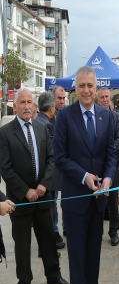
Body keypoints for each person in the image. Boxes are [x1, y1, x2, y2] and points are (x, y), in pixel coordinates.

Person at [54, 66, 117, 284]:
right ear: (75, 88)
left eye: (90, 85)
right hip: (75, 202)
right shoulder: (64, 117)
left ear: (96, 85)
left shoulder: (106, 116)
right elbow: (60, 157)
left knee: (93, 258)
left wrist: (109, 177)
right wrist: (85, 176)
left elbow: (111, 153)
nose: (87, 90)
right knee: (78, 260)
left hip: (98, 201)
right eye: (81, 86)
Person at [0, 88, 70, 284]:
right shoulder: (5, 133)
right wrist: (25, 190)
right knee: (22, 245)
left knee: (48, 238)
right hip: (20, 201)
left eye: (30, 102)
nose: (27, 106)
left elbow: (51, 159)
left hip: (42, 197)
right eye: (22, 102)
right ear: (15, 105)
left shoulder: (42, 128)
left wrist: (42, 185)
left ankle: (53, 275)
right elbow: (5, 168)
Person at [36, 92, 65, 250]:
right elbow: (53, 151)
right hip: (49, 175)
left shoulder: (38, 120)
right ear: (51, 107)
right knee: (51, 205)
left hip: (42, 174)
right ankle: (52, 234)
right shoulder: (46, 125)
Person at [96, 88, 119, 246]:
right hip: (95, 164)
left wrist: (107, 150)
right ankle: (96, 230)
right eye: (102, 97)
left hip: (112, 163)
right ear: (97, 99)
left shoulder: (116, 117)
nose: (105, 99)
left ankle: (114, 231)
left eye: (107, 96)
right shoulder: (93, 116)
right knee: (97, 197)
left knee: (113, 198)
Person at [52, 85, 66, 240]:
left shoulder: (67, 115)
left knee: (66, 199)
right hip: (53, 168)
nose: (62, 101)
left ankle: (66, 227)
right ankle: (55, 230)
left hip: (66, 167)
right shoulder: (49, 118)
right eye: (59, 98)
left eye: (63, 98)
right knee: (53, 201)